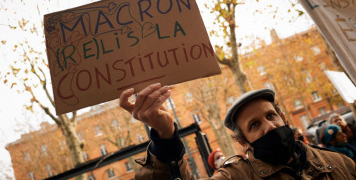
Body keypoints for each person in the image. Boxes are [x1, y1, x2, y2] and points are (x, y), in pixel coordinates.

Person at [119, 83, 356, 179]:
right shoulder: (236, 177)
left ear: (283, 117)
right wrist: (165, 135)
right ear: (243, 142)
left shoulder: (341, 163)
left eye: (271, 116)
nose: (270, 126)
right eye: (254, 125)